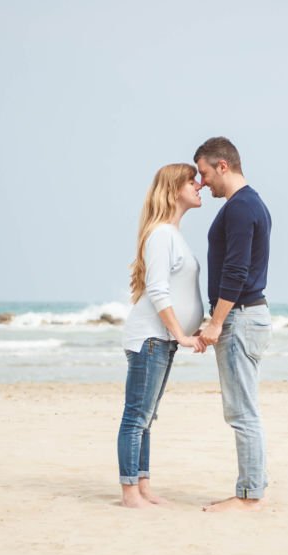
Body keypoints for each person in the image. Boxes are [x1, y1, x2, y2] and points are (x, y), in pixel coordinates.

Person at [117, 163, 206, 509]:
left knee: (147, 417)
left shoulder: (173, 234)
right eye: (191, 180)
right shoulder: (161, 235)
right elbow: (157, 291)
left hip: (162, 339)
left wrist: (190, 328)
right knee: (136, 416)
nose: (198, 185)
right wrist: (180, 334)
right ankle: (129, 493)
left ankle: (143, 486)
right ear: (173, 189)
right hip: (150, 338)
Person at [193, 137, 273, 512]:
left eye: (205, 173)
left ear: (223, 165)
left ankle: (249, 496)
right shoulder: (248, 203)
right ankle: (252, 489)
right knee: (244, 409)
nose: (202, 182)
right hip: (247, 315)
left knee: (242, 412)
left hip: (240, 317)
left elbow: (236, 271)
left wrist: (215, 322)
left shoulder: (241, 208)